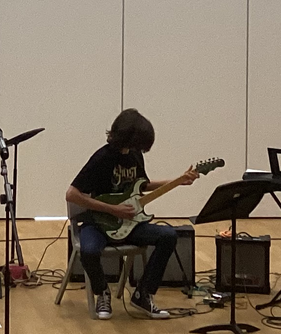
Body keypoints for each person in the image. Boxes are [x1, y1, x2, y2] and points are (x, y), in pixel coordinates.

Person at [65, 108, 197, 320]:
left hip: (130, 224)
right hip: (99, 223)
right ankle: (103, 292)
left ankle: (143, 294)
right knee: (88, 251)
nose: (140, 149)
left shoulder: (135, 156)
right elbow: (72, 194)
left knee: (168, 236)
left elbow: (141, 186)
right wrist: (113, 209)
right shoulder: (102, 158)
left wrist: (178, 181)